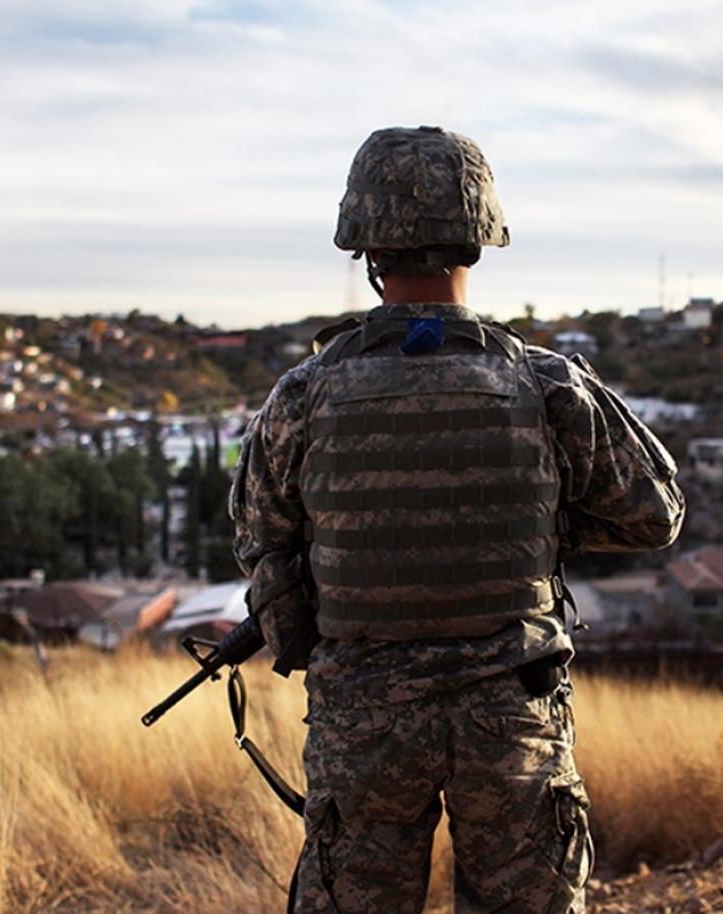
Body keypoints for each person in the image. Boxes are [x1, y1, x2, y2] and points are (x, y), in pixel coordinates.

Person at [230, 125, 684, 914]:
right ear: (479, 239)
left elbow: (262, 545)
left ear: (367, 252)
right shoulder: (547, 385)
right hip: (513, 716)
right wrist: (539, 526)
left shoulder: (302, 397)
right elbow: (656, 514)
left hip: (363, 721)